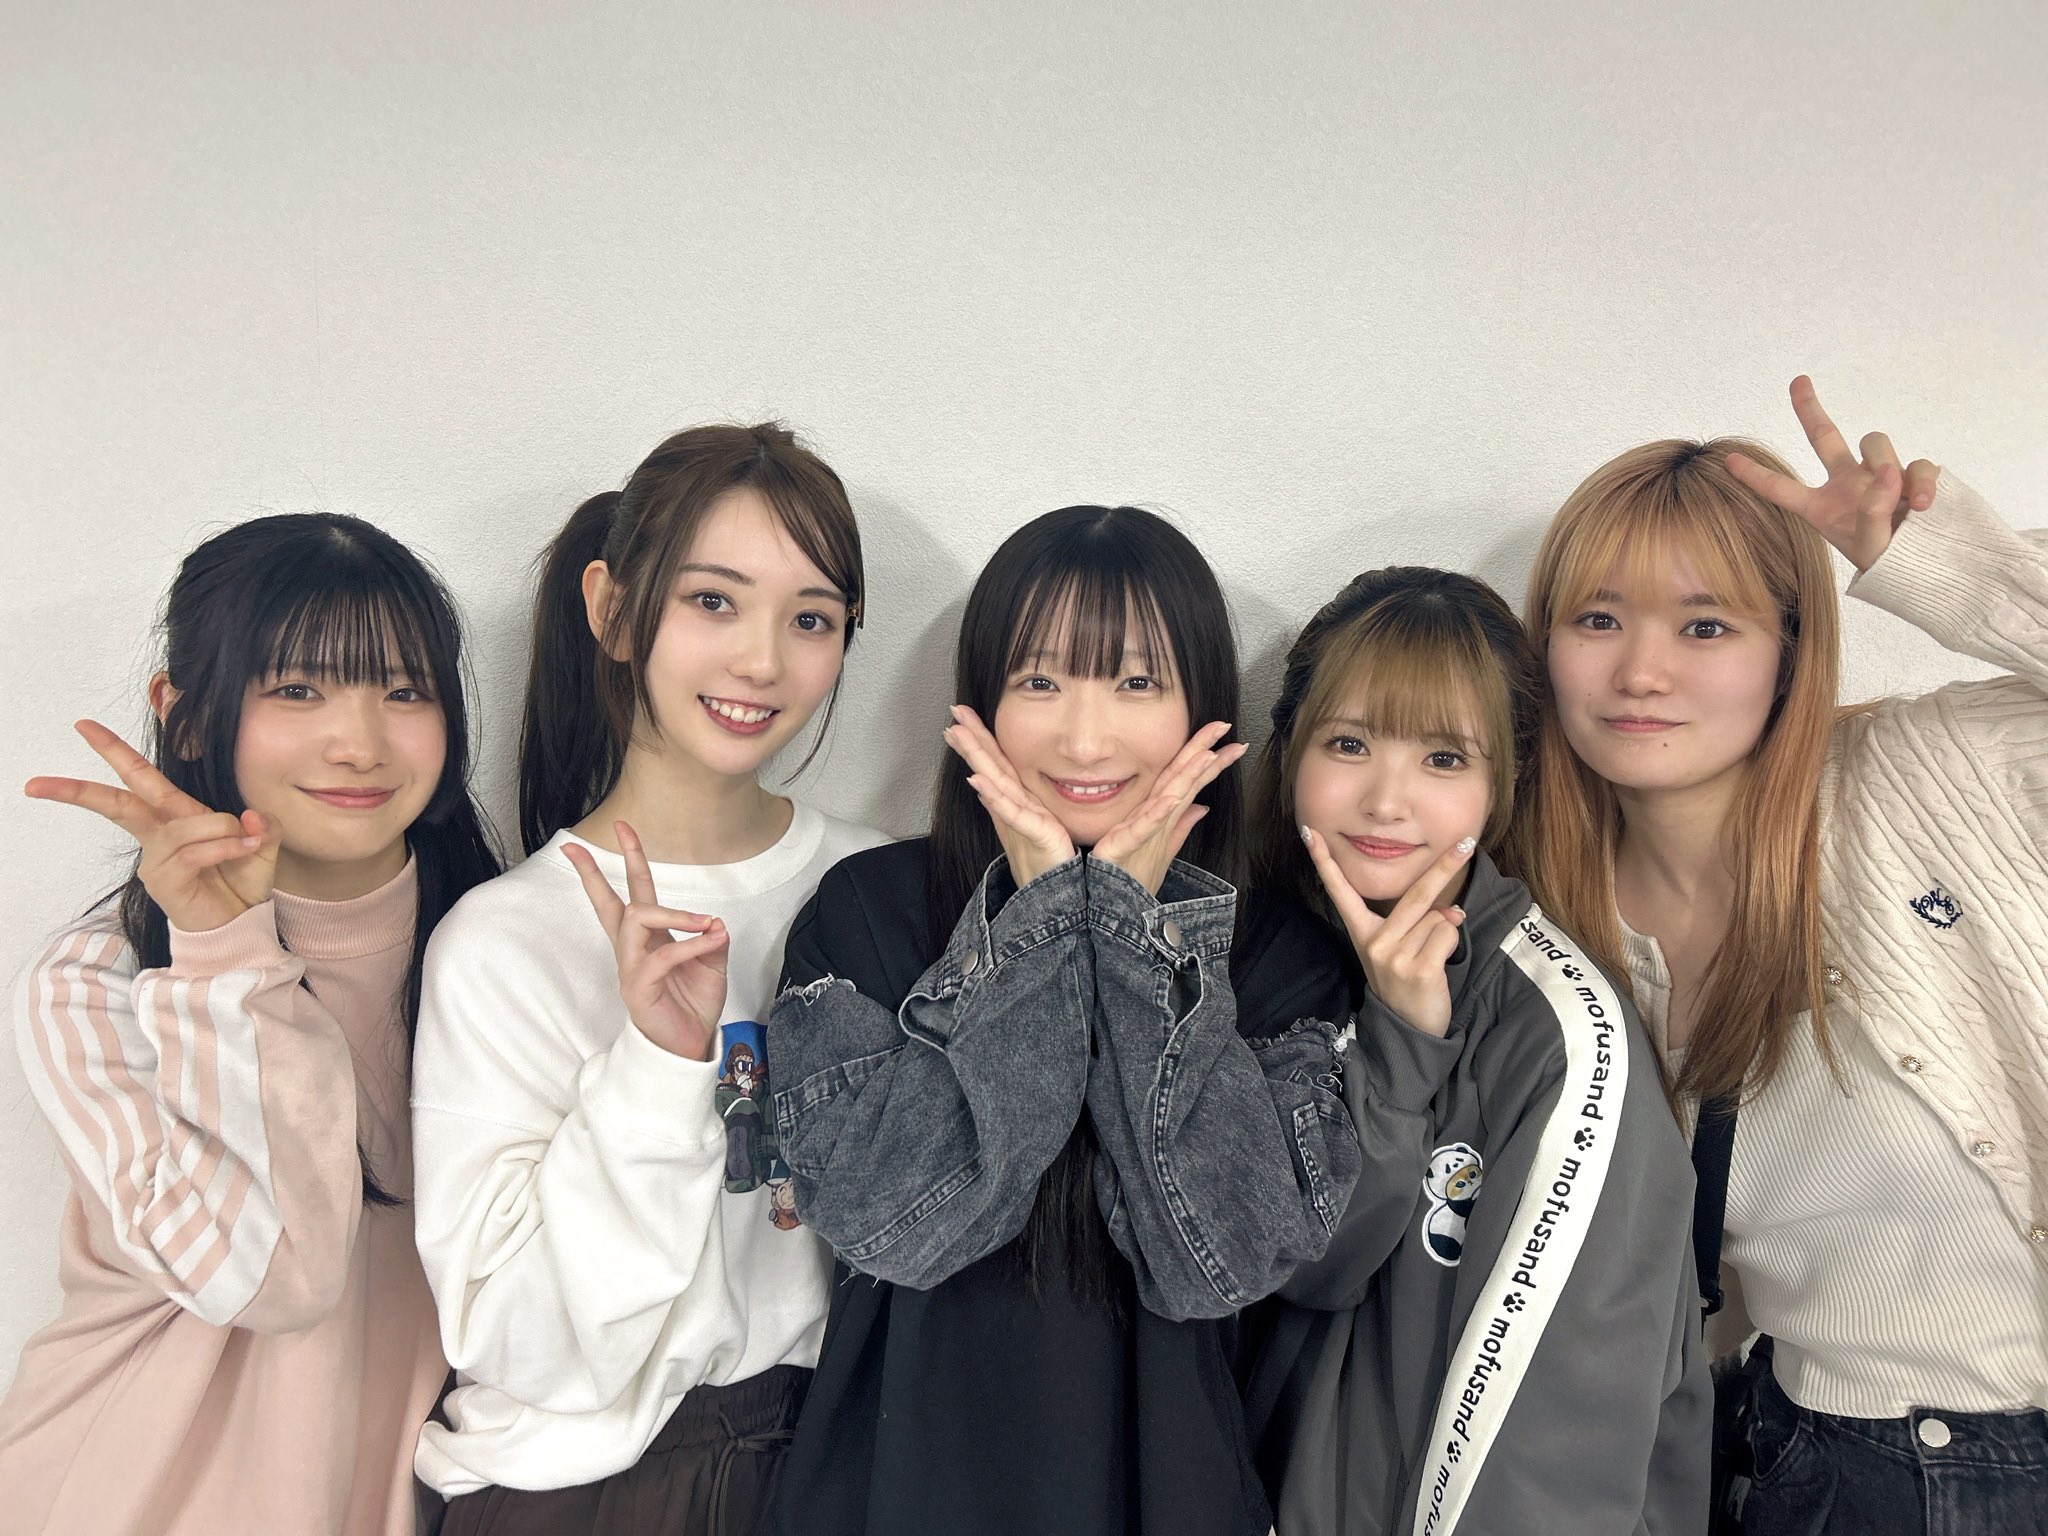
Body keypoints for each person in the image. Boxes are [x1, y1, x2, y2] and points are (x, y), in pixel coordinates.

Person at [762, 505, 1361, 1536]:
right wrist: (1041, 923)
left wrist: (1130, 936)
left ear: (1204, 707)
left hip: (1167, 1495)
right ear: (982, 702)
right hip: (892, 1492)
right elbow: (897, 1224)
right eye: (1039, 682)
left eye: (1137, 684)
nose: (1085, 739)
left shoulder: (1278, 955)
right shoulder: (868, 912)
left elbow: (1214, 1257)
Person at [1521, 377, 2048, 1534]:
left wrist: (1936, 566)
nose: (1640, 672)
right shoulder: (1551, 924)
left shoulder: (1928, 780)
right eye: (1597, 620)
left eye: (1704, 625)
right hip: (1807, 1467)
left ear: (1787, 650)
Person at [408, 423, 887, 1535]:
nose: (761, 661)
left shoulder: (877, 892)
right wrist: (657, 1068)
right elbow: (513, 1337)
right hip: (587, 1491)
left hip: (832, 1462)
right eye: (713, 601)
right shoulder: (507, 939)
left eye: (811, 619)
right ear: (615, 611)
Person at [0, 514, 499, 1536]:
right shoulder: (97, 983)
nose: (358, 742)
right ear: (186, 717)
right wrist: (227, 955)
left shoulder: (497, 949)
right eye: (298, 689)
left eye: (405, 690)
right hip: (126, 1498)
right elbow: (273, 1280)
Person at [1235, 566, 1708, 1535]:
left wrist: (1405, 1049)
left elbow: (1552, 1446)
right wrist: (1397, 1046)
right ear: (1290, 750)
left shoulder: (1561, 1033)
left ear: (1504, 783)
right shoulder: (1259, 961)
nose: (1386, 800)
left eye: (1443, 758)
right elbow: (1298, 1264)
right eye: (1348, 743)